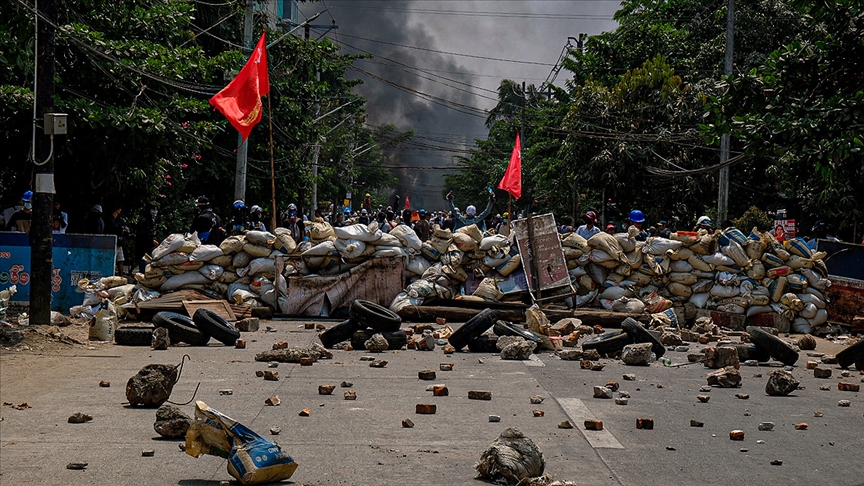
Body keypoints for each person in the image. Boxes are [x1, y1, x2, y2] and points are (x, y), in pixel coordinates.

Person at [104, 205, 131, 275]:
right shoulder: (110, 220)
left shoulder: (118, 220)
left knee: (121, 259)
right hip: (112, 243)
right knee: (112, 260)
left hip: (119, 242)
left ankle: (121, 276)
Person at [135, 202, 159, 272]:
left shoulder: (152, 222)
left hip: (149, 249)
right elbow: (142, 235)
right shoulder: (143, 221)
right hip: (142, 249)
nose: (155, 212)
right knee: (143, 271)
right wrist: (151, 240)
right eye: (153, 209)